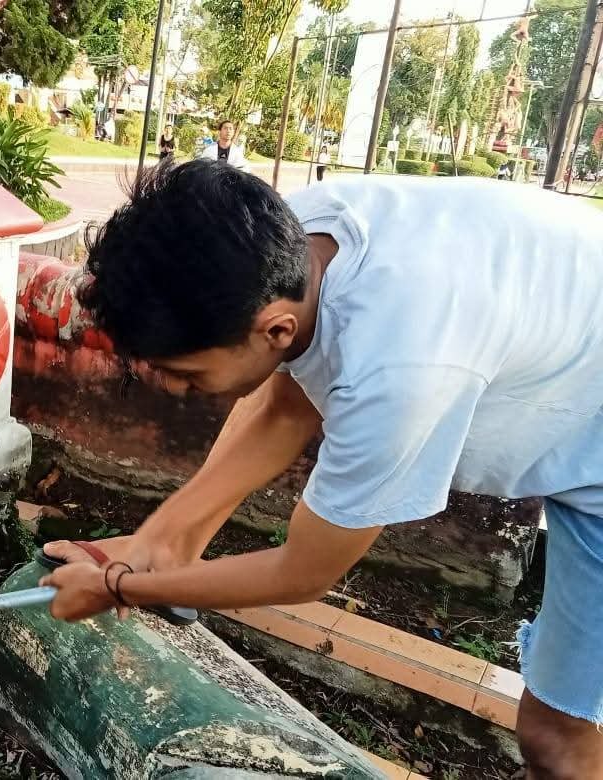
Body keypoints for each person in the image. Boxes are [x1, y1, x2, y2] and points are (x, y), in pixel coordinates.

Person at [39, 161, 603, 777]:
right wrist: (162, 541)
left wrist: (121, 587)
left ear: (274, 327)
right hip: (575, 394)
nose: (175, 391)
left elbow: (304, 571)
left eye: (188, 373)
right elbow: (286, 403)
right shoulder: (290, 240)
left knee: (557, 741)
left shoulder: (398, 368)